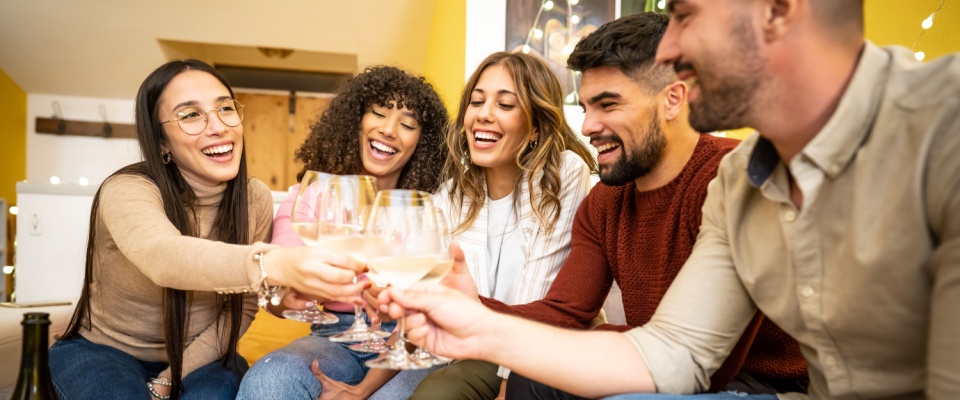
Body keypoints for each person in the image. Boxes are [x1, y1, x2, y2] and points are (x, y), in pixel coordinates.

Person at [378, 0, 960, 398]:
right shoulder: (741, 185)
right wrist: (469, 319)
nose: (672, 44)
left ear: (777, 10)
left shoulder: (944, 129)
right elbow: (674, 351)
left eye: (683, 14)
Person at [455, 13, 802, 399]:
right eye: (586, 107)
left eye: (608, 105)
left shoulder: (732, 179)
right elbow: (566, 314)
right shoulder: (605, 200)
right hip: (655, 365)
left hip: (758, 383)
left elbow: (709, 362)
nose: (587, 126)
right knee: (531, 381)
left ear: (673, 100)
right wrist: (469, 306)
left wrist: (595, 339)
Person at [50, 59, 368, 400]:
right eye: (190, 115)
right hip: (102, 352)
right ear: (161, 142)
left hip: (204, 357)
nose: (218, 127)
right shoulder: (127, 190)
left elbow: (241, 309)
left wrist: (170, 379)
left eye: (226, 109)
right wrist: (273, 264)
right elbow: (163, 256)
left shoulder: (253, 198)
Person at [235, 65, 449, 400]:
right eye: (378, 113)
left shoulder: (433, 208)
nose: (389, 130)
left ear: (422, 142)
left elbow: (436, 306)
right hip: (334, 335)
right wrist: (284, 295)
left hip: (412, 341)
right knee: (270, 378)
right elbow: (277, 290)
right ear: (356, 121)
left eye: (408, 124)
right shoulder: (311, 195)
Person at [406, 51, 597, 400]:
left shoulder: (565, 173)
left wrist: (511, 385)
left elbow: (538, 289)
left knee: (438, 393)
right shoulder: (452, 194)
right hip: (477, 349)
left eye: (505, 105)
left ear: (536, 125)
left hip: (550, 343)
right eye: (476, 102)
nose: (483, 115)